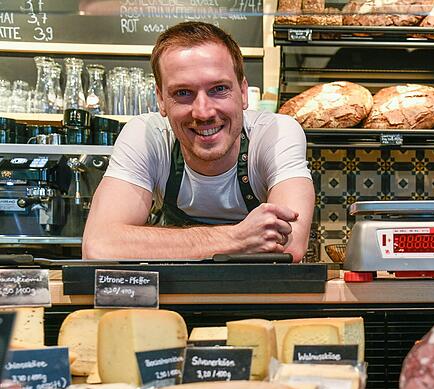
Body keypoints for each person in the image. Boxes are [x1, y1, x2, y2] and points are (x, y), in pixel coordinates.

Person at [82, 22, 314, 262]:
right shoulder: (145, 135)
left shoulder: (275, 133)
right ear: (161, 100)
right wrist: (236, 238)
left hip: (258, 293)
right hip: (171, 295)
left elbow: (291, 244)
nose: (203, 113)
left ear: (243, 93)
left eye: (219, 89)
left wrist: (154, 241)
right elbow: (99, 245)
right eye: (183, 93)